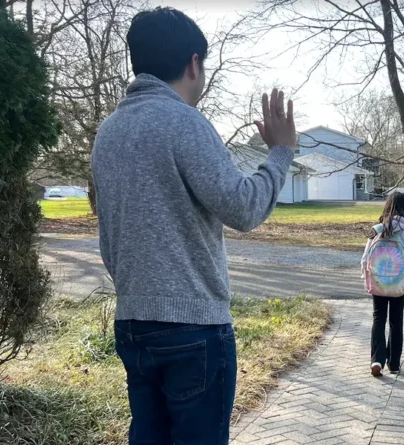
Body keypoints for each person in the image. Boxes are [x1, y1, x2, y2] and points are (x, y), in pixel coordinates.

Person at [91, 7, 296, 444]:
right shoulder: (183, 121)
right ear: (193, 64)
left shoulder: (109, 131)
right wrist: (280, 153)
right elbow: (243, 208)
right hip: (192, 329)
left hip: (133, 324)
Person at [361, 193, 404, 377]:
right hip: (398, 283)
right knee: (396, 320)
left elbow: (366, 257)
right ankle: (394, 363)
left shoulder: (378, 228)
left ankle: (377, 359)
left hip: (379, 281)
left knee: (378, 318)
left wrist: (366, 276)